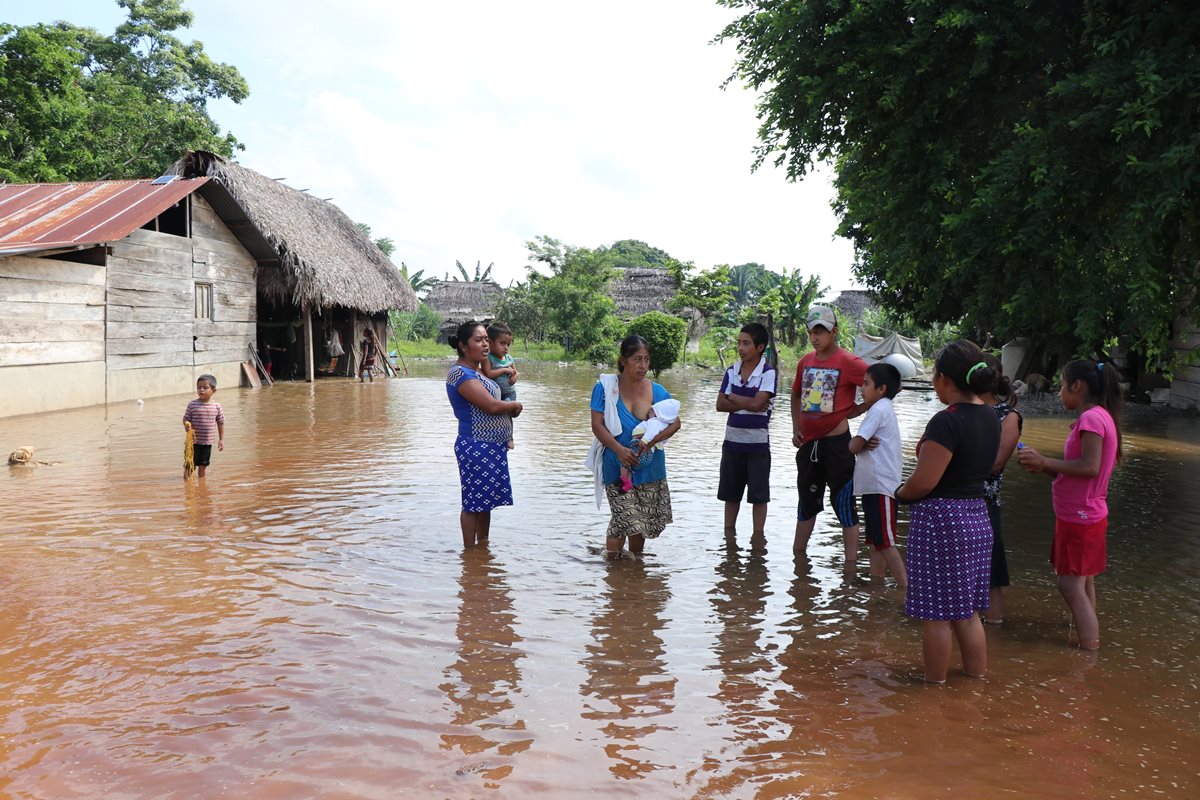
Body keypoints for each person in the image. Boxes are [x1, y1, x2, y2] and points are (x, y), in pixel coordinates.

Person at [895, 340, 1000, 683]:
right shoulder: (991, 416)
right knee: (967, 614)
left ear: (944, 379)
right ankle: (975, 682)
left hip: (942, 522)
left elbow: (924, 482)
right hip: (976, 517)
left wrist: (899, 493)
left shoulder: (946, 421)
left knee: (936, 616)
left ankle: (933, 688)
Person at [1017, 359, 1122, 651]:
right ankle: (1088, 638)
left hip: (1080, 515)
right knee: (1084, 582)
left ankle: (1089, 652)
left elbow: (1090, 466)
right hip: (1087, 513)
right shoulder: (1101, 416)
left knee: (1069, 585)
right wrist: (1044, 465)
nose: (1060, 392)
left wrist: (1047, 461)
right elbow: (1083, 470)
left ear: (1078, 386)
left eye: (1062, 385)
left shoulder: (1091, 419)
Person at [587, 335, 680, 561]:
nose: (643, 366)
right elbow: (597, 426)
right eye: (637, 359)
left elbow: (676, 423)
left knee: (640, 525)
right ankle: (614, 573)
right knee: (624, 517)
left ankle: (634, 570)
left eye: (647, 360)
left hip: (650, 468)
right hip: (617, 467)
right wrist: (619, 450)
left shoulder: (657, 392)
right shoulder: (605, 389)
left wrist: (649, 442)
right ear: (623, 361)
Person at [791, 305, 868, 573]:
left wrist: (855, 412)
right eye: (812, 332)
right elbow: (795, 394)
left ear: (834, 332)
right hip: (809, 446)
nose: (815, 337)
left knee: (843, 503)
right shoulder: (805, 361)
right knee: (806, 502)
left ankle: (850, 566)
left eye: (821, 331)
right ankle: (798, 561)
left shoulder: (848, 362)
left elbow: (882, 387)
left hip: (838, 446)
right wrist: (795, 427)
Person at [446, 321, 523, 548]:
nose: (485, 345)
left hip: (491, 445)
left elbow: (497, 401)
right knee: (472, 503)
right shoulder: (459, 373)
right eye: (478, 340)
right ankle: (470, 554)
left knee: (485, 502)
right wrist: (514, 405)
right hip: (475, 445)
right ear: (463, 346)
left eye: (486, 339)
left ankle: (484, 549)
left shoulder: (479, 370)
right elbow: (490, 406)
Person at [716, 322, 776, 551]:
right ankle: (728, 540)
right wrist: (748, 403)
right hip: (732, 443)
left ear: (760, 347)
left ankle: (757, 542)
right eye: (739, 343)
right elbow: (719, 404)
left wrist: (734, 398)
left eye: (746, 343)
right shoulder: (732, 370)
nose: (740, 348)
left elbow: (758, 403)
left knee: (759, 496)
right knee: (731, 495)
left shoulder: (768, 373)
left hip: (758, 446)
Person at [849, 362, 907, 587]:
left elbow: (853, 446)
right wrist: (860, 443)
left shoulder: (878, 409)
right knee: (875, 541)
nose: (861, 388)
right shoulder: (883, 408)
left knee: (885, 540)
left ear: (881, 389)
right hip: (873, 485)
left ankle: (906, 588)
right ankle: (877, 586)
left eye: (866, 384)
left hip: (881, 485)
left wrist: (856, 443)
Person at [978, 351, 1023, 624]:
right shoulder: (957, 410)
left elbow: (996, 464)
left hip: (984, 503)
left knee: (992, 577)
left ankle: (993, 631)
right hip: (958, 501)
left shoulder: (1009, 416)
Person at [619, 398, 681, 492]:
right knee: (630, 465)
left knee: (625, 463)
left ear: (659, 414)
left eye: (653, 410)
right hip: (648, 453)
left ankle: (625, 481)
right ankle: (627, 482)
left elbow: (651, 434)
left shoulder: (654, 422)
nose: (649, 410)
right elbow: (663, 439)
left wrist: (644, 441)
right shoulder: (663, 425)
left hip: (641, 448)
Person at [182, 374, 225, 480]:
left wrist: (221, 439)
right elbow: (185, 419)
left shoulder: (216, 406)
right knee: (190, 466)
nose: (201, 390)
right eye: (199, 387)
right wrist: (187, 425)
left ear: (213, 390)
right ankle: (186, 484)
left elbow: (221, 422)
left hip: (207, 443)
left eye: (205, 388)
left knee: (203, 466)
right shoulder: (192, 405)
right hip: (193, 443)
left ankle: (202, 485)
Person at [483, 322, 518, 448]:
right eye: (502, 343)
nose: (506, 348)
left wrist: (514, 377)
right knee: (497, 416)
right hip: (496, 394)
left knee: (507, 414)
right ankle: (497, 437)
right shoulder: (488, 358)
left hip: (509, 392)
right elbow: (488, 373)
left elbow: (515, 372)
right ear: (490, 343)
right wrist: (504, 370)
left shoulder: (508, 358)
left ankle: (509, 437)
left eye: (508, 344)